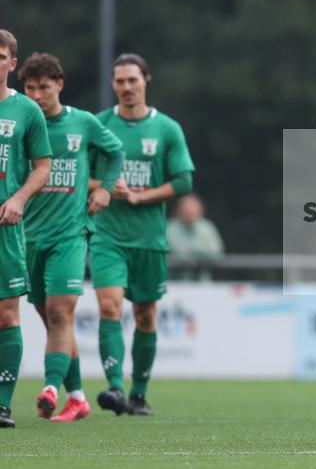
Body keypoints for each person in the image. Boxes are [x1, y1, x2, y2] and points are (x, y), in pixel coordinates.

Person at [19, 52, 123, 422]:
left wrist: (106, 189)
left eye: (43, 88)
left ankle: (49, 388)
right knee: (52, 321)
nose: (36, 95)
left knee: (60, 312)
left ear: (59, 85)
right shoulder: (21, 125)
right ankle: (77, 397)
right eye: (29, 88)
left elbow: (116, 152)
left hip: (70, 235)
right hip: (27, 236)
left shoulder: (83, 122)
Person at [90, 53, 195, 416]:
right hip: (107, 235)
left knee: (146, 315)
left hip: (150, 239)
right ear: (113, 85)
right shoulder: (99, 125)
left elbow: (183, 181)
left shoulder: (167, 128)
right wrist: (104, 186)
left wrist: (141, 195)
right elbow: (76, 175)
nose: (126, 87)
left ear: (146, 80)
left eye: (132, 80)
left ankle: (139, 394)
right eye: (119, 81)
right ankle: (115, 389)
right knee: (108, 306)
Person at [0, 30, 52, 429]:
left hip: (5, 228)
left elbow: (42, 168)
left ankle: (1, 404)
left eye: (1, 56)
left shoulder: (27, 112)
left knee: (6, 316)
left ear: (12, 64)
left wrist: (18, 199)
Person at [167, 193, 224, 281]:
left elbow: (217, 255)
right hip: (176, 284)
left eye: (193, 208)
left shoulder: (207, 227)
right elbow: (179, 255)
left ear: (200, 210)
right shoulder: (170, 229)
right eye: (186, 209)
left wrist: (192, 252)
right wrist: (202, 252)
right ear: (179, 210)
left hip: (202, 284)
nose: (189, 211)